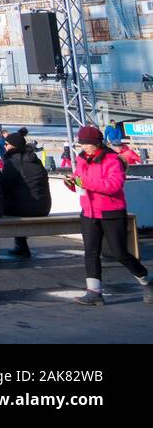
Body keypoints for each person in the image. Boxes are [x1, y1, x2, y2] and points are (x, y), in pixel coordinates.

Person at [69, 125, 151, 305]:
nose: (83, 147)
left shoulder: (113, 160)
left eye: (86, 144)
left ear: (97, 143)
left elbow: (113, 186)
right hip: (89, 212)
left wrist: (85, 182)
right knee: (90, 252)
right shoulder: (82, 159)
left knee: (120, 252)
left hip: (111, 212)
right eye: (81, 144)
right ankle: (94, 292)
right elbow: (80, 180)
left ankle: (147, 281)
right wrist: (72, 182)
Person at [0, 131, 51, 258]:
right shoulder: (35, 160)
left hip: (26, 209)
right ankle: (21, 246)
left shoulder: (12, 162)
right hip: (44, 207)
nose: (4, 147)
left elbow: (5, 186)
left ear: (13, 146)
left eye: (6, 144)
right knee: (20, 199)